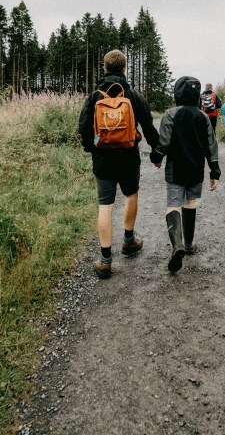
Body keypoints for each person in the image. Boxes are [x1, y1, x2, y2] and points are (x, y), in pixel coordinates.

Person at [78, 49, 159, 279]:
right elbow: (149, 126)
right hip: (128, 155)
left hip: (103, 157)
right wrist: (157, 151)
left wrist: (91, 147)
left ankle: (105, 261)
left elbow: (83, 127)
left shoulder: (95, 96)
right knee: (131, 195)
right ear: (124, 68)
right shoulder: (133, 95)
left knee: (105, 204)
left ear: (105, 68)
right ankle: (129, 241)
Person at [149, 76, 221, 273]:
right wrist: (214, 170)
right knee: (190, 203)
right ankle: (188, 245)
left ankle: (176, 246)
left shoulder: (170, 114)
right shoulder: (203, 116)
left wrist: (156, 157)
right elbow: (211, 146)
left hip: (175, 168)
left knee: (173, 204)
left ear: (177, 93)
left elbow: (163, 142)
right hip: (196, 169)